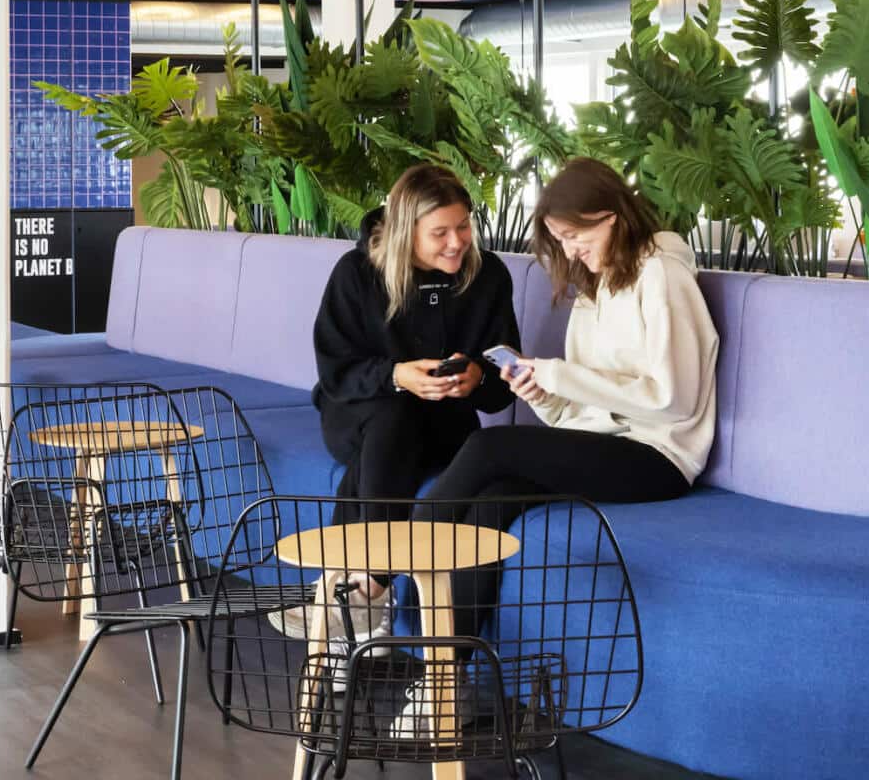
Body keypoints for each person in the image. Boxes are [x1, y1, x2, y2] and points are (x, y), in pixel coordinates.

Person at [393, 157, 719, 736]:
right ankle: (444, 681)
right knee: (493, 502)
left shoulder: (663, 277)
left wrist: (562, 375)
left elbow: (674, 397)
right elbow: (577, 412)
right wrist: (539, 389)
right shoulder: (595, 288)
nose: (570, 252)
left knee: (492, 451)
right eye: (561, 240)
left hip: (661, 456)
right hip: (603, 442)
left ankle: (392, 569)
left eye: (576, 236)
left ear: (614, 217)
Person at [285, 163, 519, 643]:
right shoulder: (358, 274)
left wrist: (476, 377)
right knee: (393, 419)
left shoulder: (488, 276)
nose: (456, 242)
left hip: (444, 423)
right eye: (440, 233)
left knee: (393, 447)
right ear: (403, 232)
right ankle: (374, 585)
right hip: (358, 411)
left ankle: (349, 591)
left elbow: (500, 389)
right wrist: (395, 375)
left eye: (463, 227)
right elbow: (335, 372)